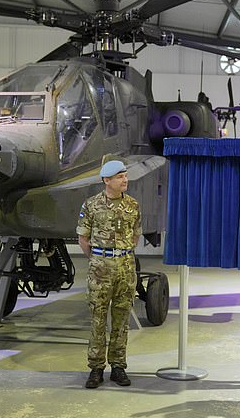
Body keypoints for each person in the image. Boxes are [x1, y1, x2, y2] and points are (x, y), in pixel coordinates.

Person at [76, 159, 142, 389]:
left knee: (122, 320)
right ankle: (96, 368)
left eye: (125, 175)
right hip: (100, 269)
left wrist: (120, 254)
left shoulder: (133, 205)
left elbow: (135, 237)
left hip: (125, 268)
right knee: (98, 319)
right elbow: (83, 239)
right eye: (120, 176)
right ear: (107, 180)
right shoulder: (91, 205)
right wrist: (98, 259)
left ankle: (118, 367)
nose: (125, 180)